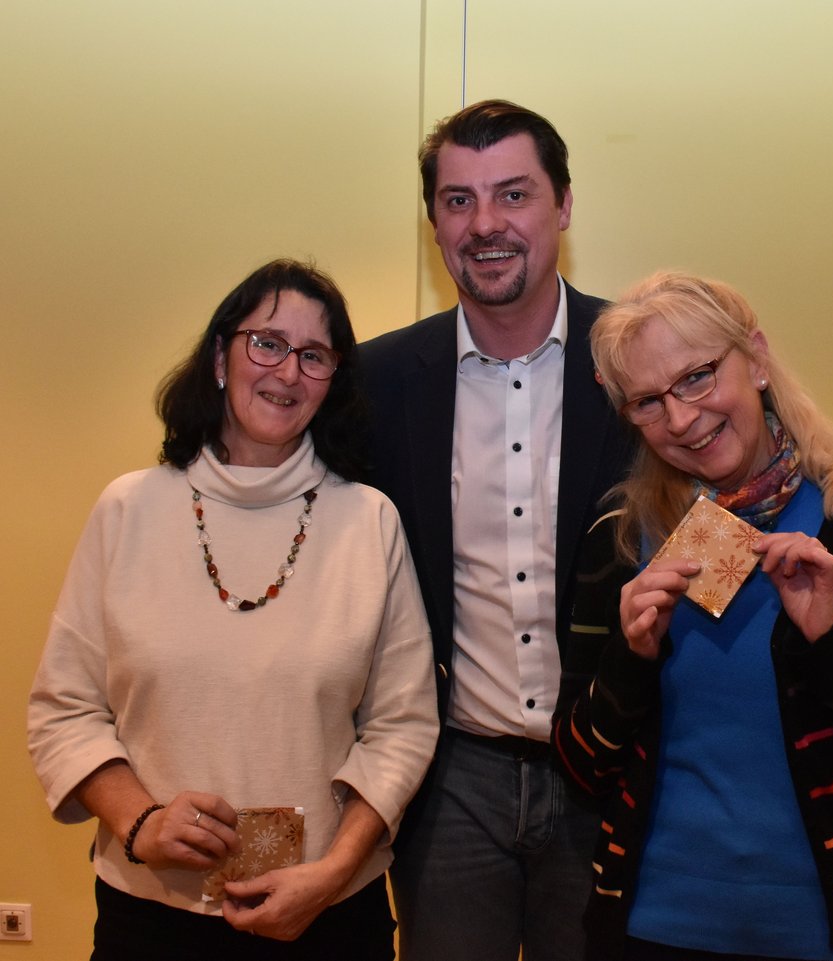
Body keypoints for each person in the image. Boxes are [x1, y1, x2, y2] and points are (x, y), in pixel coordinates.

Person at [553, 270, 833, 961]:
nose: (682, 419)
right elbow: (577, 765)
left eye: (696, 377)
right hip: (654, 926)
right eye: (648, 402)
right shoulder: (620, 533)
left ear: (753, 358)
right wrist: (628, 661)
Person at [28, 259, 438, 961]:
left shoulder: (369, 521)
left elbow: (402, 725)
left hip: (329, 914)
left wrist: (332, 872)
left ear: (332, 381)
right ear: (221, 356)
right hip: (151, 913)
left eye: (314, 356)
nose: (287, 371)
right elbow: (64, 709)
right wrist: (141, 824)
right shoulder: (127, 509)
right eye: (267, 342)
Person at [359, 100, 633, 961]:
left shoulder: (639, 362)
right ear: (433, 221)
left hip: (614, 772)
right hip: (450, 785)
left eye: (512, 194)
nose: (485, 224)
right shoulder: (377, 381)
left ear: (562, 205)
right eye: (457, 201)